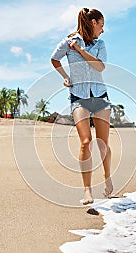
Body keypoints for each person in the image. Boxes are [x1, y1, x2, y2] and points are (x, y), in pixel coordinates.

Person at [51, 7, 113, 205]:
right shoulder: (67, 42)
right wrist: (66, 77)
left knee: (102, 144)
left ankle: (107, 176)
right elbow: (54, 59)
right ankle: (87, 190)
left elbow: (100, 66)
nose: (102, 30)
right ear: (93, 23)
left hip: (100, 97)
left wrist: (80, 50)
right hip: (78, 97)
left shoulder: (100, 44)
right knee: (86, 142)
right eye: (101, 25)